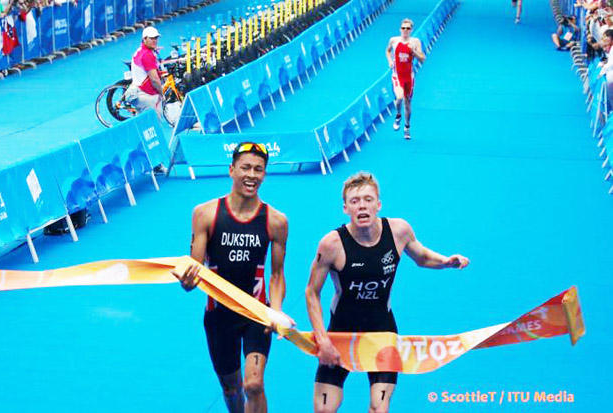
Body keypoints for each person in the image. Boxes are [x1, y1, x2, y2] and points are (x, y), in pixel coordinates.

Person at [305, 172, 469, 413]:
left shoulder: (399, 231)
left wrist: (446, 261)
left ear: (378, 205)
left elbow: (422, 257)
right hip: (341, 332)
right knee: (323, 410)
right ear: (345, 208)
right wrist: (323, 340)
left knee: (379, 408)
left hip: (382, 330)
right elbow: (311, 292)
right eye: (354, 201)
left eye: (368, 199)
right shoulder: (331, 244)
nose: (362, 206)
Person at [172, 142, 289, 413]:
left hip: (256, 314)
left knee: (254, 385)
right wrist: (186, 281)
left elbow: (276, 274)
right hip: (218, 317)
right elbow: (194, 270)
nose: (252, 175)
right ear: (231, 170)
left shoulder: (276, 221)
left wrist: (276, 310)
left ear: (265, 174)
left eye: (258, 169)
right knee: (231, 390)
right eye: (245, 168)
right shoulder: (205, 214)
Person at [386, 19, 425, 140]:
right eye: (403, 28)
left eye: (408, 28)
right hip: (397, 75)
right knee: (399, 98)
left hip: (409, 77)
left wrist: (413, 51)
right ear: (400, 29)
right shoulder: (394, 40)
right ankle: (398, 115)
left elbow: (422, 58)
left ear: (411, 30)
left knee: (407, 103)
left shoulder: (415, 42)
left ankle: (407, 127)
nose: (405, 30)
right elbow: (387, 50)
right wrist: (390, 61)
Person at [126, 26, 164, 118]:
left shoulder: (142, 50)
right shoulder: (147, 55)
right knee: (156, 119)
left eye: (156, 38)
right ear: (144, 39)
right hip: (144, 94)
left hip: (136, 92)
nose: (154, 40)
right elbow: (154, 79)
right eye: (151, 38)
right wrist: (162, 93)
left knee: (144, 120)